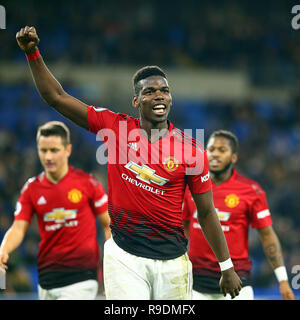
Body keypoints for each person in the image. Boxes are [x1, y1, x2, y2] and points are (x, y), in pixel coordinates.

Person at [14, 26, 242, 300]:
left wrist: (226, 266)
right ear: (136, 100)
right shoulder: (115, 128)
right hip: (124, 257)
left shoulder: (191, 150)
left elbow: (206, 213)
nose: (159, 95)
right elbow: (57, 97)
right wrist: (33, 54)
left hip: (173, 262)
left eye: (165, 91)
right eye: (150, 91)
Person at [0, 121, 111, 300]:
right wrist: (3, 249)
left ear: (67, 150)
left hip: (81, 278)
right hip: (47, 279)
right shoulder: (32, 188)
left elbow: (109, 226)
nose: (48, 157)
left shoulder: (88, 184)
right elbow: (18, 228)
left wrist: (113, 267)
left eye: (54, 150)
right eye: (43, 151)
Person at [182, 130, 295, 300]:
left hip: (237, 286)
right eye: (211, 149)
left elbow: (267, 236)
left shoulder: (251, 191)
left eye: (222, 150)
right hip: (196, 286)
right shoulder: (189, 187)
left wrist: (283, 280)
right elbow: (183, 229)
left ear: (234, 157)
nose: (215, 154)